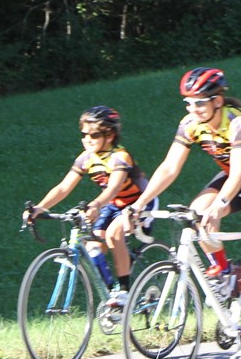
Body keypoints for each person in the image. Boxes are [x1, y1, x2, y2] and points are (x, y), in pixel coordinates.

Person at [125, 67, 241, 359]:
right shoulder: (190, 124)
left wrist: (221, 204)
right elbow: (169, 168)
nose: (193, 108)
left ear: (218, 101)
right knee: (195, 214)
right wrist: (141, 203)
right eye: (188, 103)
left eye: (200, 102)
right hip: (234, 179)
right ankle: (226, 272)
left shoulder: (238, 122)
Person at [24, 106, 156, 308]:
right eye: (84, 134)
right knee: (93, 246)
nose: (87, 139)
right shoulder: (86, 158)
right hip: (114, 204)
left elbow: (113, 188)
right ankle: (112, 293)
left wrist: (95, 205)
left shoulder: (120, 156)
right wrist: (40, 208)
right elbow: (63, 187)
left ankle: (124, 292)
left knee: (113, 234)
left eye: (94, 135)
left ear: (110, 135)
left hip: (139, 202)